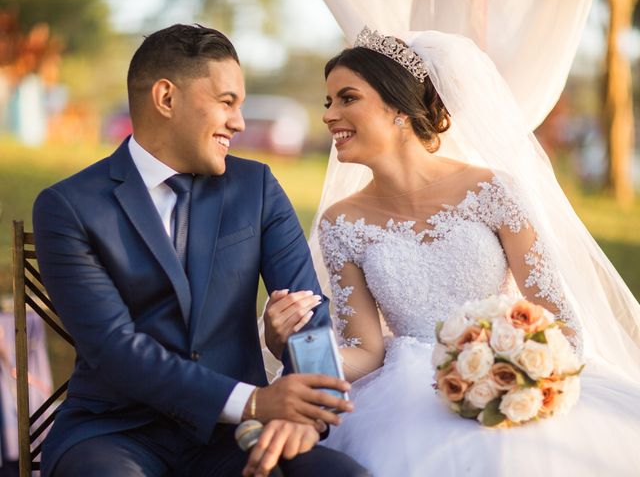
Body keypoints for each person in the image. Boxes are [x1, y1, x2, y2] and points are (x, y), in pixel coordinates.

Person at [265, 28, 640, 476]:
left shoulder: (492, 190)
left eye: (347, 98)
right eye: (329, 102)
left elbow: (560, 321)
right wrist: (292, 346)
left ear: (399, 108)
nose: (330, 116)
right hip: (403, 393)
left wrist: (513, 373)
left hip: (508, 376)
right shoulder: (341, 223)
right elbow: (364, 351)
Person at [33, 24, 369, 477]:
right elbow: (116, 348)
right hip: (115, 435)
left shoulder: (257, 188)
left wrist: (311, 411)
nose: (240, 122)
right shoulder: (69, 206)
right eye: (226, 102)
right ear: (166, 98)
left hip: (240, 436)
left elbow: (310, 312)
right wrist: (253, 399)